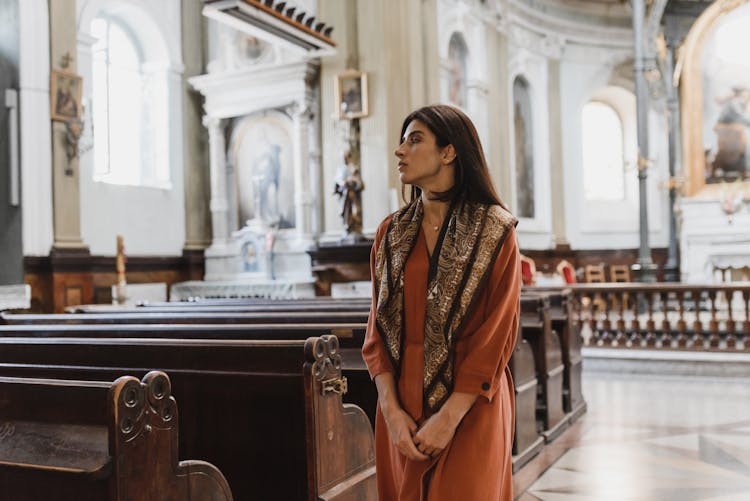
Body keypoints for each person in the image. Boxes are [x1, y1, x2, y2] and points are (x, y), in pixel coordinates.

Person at [362, 104, 521, 500]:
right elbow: (376, 332)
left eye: (414, 140)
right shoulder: (391, 232)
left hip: (471, 406)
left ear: (449, 151)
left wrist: (449, 418)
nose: (400, 150)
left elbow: (495, 337)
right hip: (400, 407)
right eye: (402, 140)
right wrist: (391, 412)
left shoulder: (495, 231)